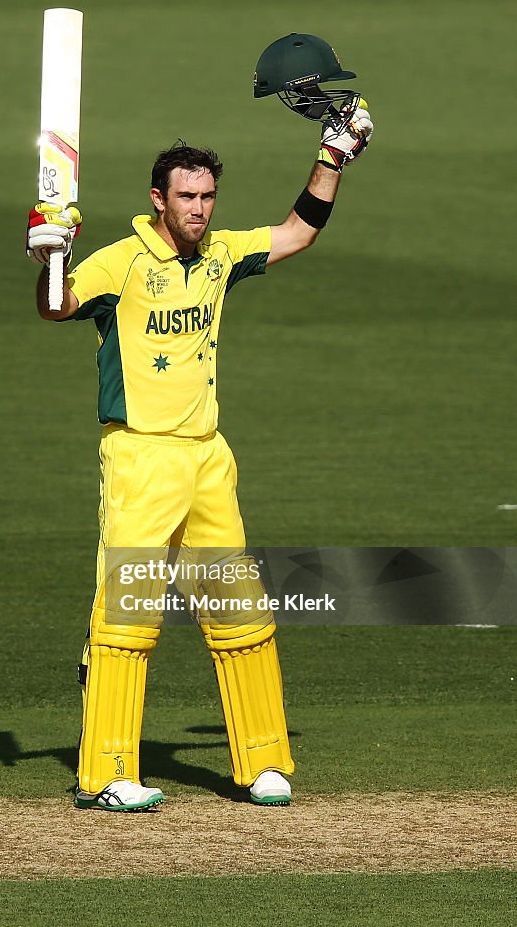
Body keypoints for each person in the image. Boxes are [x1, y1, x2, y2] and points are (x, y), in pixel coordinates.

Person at [27, 106, 373, 812]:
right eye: (185, 197)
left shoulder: (218, 254)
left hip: (209, 459)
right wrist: (48, 257)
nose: (197, 209)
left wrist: (331, 154)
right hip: (140, 457)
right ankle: (106, 772)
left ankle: (263, 765)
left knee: (239, 612)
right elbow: (56, 308)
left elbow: (297, 230)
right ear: (158, 198)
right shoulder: (119, 261)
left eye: (207, 196)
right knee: (128, 616)